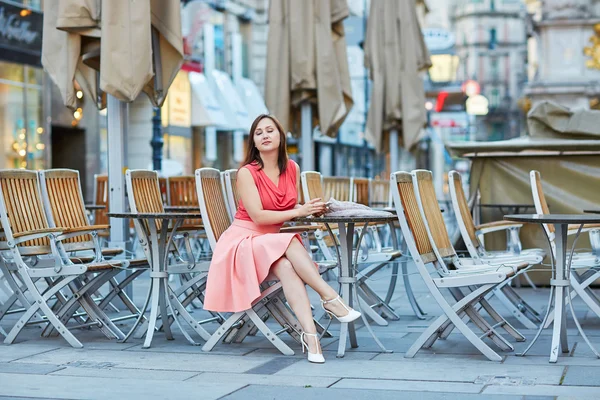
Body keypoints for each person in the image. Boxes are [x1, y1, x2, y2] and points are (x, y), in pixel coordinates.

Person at [203, 114, 360, 363]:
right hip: (242, 242)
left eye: (270, 130)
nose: (265, 135)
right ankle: (330, 298)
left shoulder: (293, 169)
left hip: (271, 244)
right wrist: (298, 211)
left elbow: (283, 207)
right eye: (259, 133)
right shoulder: (246, 173)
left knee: (287, 266)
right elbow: (259, 216)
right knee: (290, 241)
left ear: (280, 136)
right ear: (253, 142)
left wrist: (306, 207)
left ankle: (311, 338)